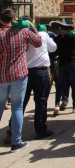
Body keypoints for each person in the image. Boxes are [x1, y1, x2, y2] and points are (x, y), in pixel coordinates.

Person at [0, 9, 42, 152]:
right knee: (17, 107)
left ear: (1, 20)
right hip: (18, 74)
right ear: (15, 18)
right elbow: (38, 43)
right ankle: (16, 142)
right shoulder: (23, 32)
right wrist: (32, 26)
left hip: (1, 75)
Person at [53, 29, 75, 115]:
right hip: (72, 63)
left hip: (62, 64)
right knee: (74, 85)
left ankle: (57, 104)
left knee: (60, 86)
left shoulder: (58, 38)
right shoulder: (72, 37)